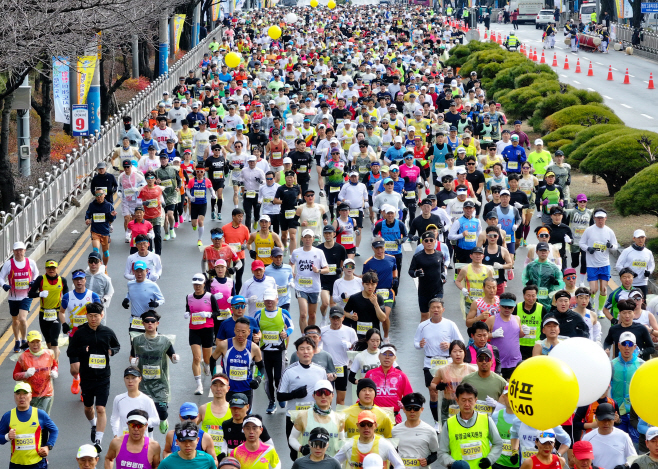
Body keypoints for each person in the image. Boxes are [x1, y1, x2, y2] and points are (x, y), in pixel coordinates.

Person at [67, 302, 120, 451]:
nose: (93, 319)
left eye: (96, 316)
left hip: (103, 377)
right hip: (87, 377)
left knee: (101, 408)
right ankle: (93, 425)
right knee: (88, 408)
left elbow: (117, 346)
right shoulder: (80, 333)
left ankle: (98, 441)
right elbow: (70, 352)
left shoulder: (108, 332)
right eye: (90, 316)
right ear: (86, 316)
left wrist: (112, 351)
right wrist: (83, 350)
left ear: (101, 316)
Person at [414, 298, 464, 429]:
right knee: (433, 391)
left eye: (438, 307)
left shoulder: (450, 324)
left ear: (443, 309)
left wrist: (450, 345)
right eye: (433, 307)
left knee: (449, 392)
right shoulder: (423, 325)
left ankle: (452, 417)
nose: (436, 310)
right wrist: (420, 345)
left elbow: (461, 341)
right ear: (429, 310)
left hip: (446, 362)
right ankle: (437, 421)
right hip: (430, 362)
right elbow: (415, 343)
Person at [130, 310, 179, 434]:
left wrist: (174, 358)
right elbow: (132, 355)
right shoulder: (137, 340)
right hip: (143, 382)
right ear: (143, 324)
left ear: (157, 323)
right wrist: (133, 361)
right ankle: (149, 438)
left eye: (152, 321)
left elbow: (172, 354)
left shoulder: (164, 341)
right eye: (147, 321)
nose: (150, 323)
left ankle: (163, 419)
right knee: (145, 413)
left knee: (161, 410)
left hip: (160, 382)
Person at [438, 383, 504, 469]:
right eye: (463, 400)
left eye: (470, 400)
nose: (467, 404)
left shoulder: (486, 419)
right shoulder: (449, 423)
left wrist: (489, 459)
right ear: (457, 401)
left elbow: (498, 444)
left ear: (475, 400)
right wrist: (453, 464)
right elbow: (442, 452)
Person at [0, 382, 59, 469]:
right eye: (18, 393)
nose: (21, 397)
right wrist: (7, 437)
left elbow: (54, 430)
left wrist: (48, 446)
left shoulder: (40, 414)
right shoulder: (8, 416)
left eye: (25, 393)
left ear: (31, 396)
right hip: (16, 464)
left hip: (37, 464)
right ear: (14, 396)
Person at [254, 288, 295, 414]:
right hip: (264, 352)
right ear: (264, 301)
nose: (269, 302)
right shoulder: (259, 314)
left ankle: (280, 396)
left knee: (279, 377)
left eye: (272, 300)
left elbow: (292, 326)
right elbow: (254, 329)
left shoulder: (283, 313)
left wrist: (286, 332)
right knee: (268, 379)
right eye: (267, 300)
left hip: (279, 351)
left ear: (277, 300)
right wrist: (257, 336)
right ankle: (271, 402)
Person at [212, 318, 265, 408]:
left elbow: (262, 368)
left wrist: (258, 379)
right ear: (234, 330)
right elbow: (212, 360)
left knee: (244, 418)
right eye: (238, 331)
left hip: (246, 389)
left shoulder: (254, 348)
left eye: (243, 332)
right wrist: (215, 377)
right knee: (227, 417)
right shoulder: (224, 345)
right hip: (228, 389)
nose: (240, 335)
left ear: (249, 332)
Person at [289, 380, 345, 458]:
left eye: (327, 392)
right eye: (319, 393)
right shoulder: (303, 415)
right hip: (308, 463)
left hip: (330, 464)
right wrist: (301, 448)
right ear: (313, 395)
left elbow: (342, 440)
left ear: (332, 395)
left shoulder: (339, 418)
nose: (323, 396)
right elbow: (292, 438)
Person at [0, 242, 39, 352]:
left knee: (22, 318)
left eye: (21, 250)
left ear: (25, 250)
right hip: (13, 296)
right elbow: (1, 277)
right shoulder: (9, 264)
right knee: (15, 320)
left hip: (26, 295)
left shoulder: (30, 262)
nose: (19, 252)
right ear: (13, 251)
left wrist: (34, 281)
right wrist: (4, 285)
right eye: (17, 250)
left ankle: (24, 339)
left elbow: (36, 273)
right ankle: (17, 340)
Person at [334, 410, 405, 469]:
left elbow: (400, 465)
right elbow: (333, 463)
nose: (366, 428)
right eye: (363, 424)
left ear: (375, 425)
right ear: (358, 426)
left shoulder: (385, 445)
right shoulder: (349, 445)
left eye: (370, 424)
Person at [579, 209, 617, 316]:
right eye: (598, 218)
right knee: (593, 289)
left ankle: (600, 310)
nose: (600, 220)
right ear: (594, 218)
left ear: (606, 218)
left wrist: (611, 246)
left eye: (602, 218)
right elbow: (581, 243)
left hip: (604, 264)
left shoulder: (609, 231)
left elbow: (615, 246)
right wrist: (588, 248)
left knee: (604, 289)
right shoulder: (589, 230)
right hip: (592, 265)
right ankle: (592, 304)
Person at [27, 259, 68, 360]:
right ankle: (52, 359)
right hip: (44, 313)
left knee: (54, 340)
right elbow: (30, 294)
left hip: (56, 313)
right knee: (48, 341)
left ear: (57, 269)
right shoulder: (41, 279)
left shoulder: (62, 280)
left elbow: (67, 296)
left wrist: (65, 306)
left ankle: (54, 364)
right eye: (49, 268)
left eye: (53, 268)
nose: (51, 270)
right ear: (45, 269)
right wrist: (39, 294)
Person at [290, 229, 330, 331]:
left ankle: (310, 333)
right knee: (303, 314)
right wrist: (292, 273)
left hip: (314, 288)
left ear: (313, 239)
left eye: (310, 237)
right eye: (305, 237)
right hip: (300, 287)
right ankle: (304, 337)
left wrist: (318, 270)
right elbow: (291, 263)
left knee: (312, 315)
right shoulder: (296, 252)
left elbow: (327, 269)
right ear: (302, 239)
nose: (307, 239)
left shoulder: (319, 252)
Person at [364, 344, 413, 424]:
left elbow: (409, 397)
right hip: (373, 416)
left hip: (394, 417)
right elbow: (362, 395)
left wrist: (405, 405)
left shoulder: (401, 376)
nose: (387, 357)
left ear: (394, 358)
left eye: (390, 355)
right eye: (384, 354)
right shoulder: (370, 374)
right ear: (379, 356)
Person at [12, 331, 58, 414]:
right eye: (32, 342)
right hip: (30, 394)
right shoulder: (23, 357)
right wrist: (25, 374)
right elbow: (15, 375)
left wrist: (55, 371)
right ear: (28, 343)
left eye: (37, 342)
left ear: (41, 342)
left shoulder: (49, 353)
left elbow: (54, 365)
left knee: (42, 417)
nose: (35, 345)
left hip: (47, 393)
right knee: (31, 418)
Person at [485, 293, 526, 380]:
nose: (507, 309)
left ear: (513, 307)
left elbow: (517, 335)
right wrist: (492, 335)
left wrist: (525, 332)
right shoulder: (492, 319)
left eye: (510, 307)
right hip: (498, 362)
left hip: (515, 361)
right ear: (500, 306)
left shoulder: (517, 318)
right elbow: (480, 336)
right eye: (504, 306)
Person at [582, 403, 636, 468]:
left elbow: (633, 458)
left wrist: (625, 466)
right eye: (603, 420)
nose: (606, 423)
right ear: (596, 418)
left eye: (609, 420)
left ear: (615, 417)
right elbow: (580, 459)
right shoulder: (587, 438)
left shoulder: (624, 436)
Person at [393, 393, 440, 468]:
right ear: (404, 409)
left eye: (416, 408)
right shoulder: (395, 430)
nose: (412, 411)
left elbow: (436, 453)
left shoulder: (430, 431)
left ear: (421, 410)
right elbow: (393, 453)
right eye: (408, 408)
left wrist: (427, 460)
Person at [409, 231, 447, 321]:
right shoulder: (417, 257)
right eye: (426, 241)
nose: (429, 242)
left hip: (438, 290)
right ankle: (423, 334)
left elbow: (442, 268)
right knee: (425, 316)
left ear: (435, 241)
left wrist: (443, 276)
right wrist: (416, 273)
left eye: (431, 240)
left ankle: (437, 334)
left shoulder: (439, 254)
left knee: (437, 315)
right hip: (424, 291)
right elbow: (410, 271)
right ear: (423, 243)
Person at [521, 242, 564, 311]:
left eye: (545, 251)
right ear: (537, 252)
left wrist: (556, 282)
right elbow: (524, 277)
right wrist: (527, 283)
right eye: (541, 250)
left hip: (548, 299)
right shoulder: (530, 266)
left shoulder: (554, 267)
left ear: (548, 252)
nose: (543, 252)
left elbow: (561, 282)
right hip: (533, 298)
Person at [616, 229, 654, 298]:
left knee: (642, 303)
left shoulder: (648, 252)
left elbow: (652, 265)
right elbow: (618, 265)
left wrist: (649, 272)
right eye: (638, 238)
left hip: (643, 282)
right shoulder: (627, 251)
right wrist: (629, 274)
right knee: (629, 303)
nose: (641, 240)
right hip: (629, 283)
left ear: (645, 238)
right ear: (634, 238)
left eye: (642, 237)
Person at [85, 188, 117, 266]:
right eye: (97, 195)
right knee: (95, 250)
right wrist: (87, 219)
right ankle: (97, 266)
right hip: (95, 231)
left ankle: (104, 267)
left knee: (106, 253)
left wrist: (112, 216)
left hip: (105, 231)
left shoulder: (108, 205)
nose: (99, 197)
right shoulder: (92, 205)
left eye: (100, 195)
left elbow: (111, 218)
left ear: (104, 195)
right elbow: (88, 214)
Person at [516, 285, 545, 360]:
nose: (531, 299)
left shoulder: (541, 308)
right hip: (519, 345)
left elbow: (545, 326)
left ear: (536, 296)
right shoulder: (517, 307)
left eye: (533, 296)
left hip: (536, 346)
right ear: (523, 295)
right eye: (528, 296)